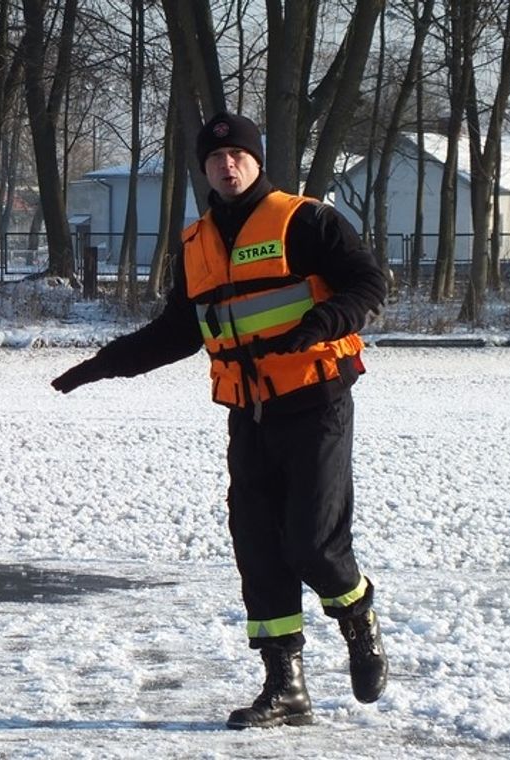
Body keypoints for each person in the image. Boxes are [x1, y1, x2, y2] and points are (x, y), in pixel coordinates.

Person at [52, 112, 389, 729]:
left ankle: (358, 616)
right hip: (247, 411)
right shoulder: (197, 242)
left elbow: (369, 284)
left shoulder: (306, 219)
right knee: (258, 547)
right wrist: (106, 364)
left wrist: (321, 324)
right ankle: (285, 688)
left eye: (236, 155)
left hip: (316, 403)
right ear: (202, 170)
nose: (226, 165)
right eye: (214, 159)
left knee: (311, 544)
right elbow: (179, 330)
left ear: (256, 160)